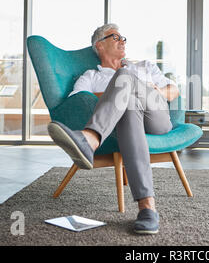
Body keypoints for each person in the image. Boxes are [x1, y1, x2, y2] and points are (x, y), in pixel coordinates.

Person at [47, 23, 179, 235]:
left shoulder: (144, 66)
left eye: (123, 37)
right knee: (127, 105)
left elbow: (174, 90)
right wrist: (121, 96)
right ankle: (147, 208)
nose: (123, 41)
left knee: (125, 78)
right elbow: (78, 101)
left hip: (156, 116)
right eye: (115, 37)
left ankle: (90, 138)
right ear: (99, 45)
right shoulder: (90, 76)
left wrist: (153, 91)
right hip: (127, 119)